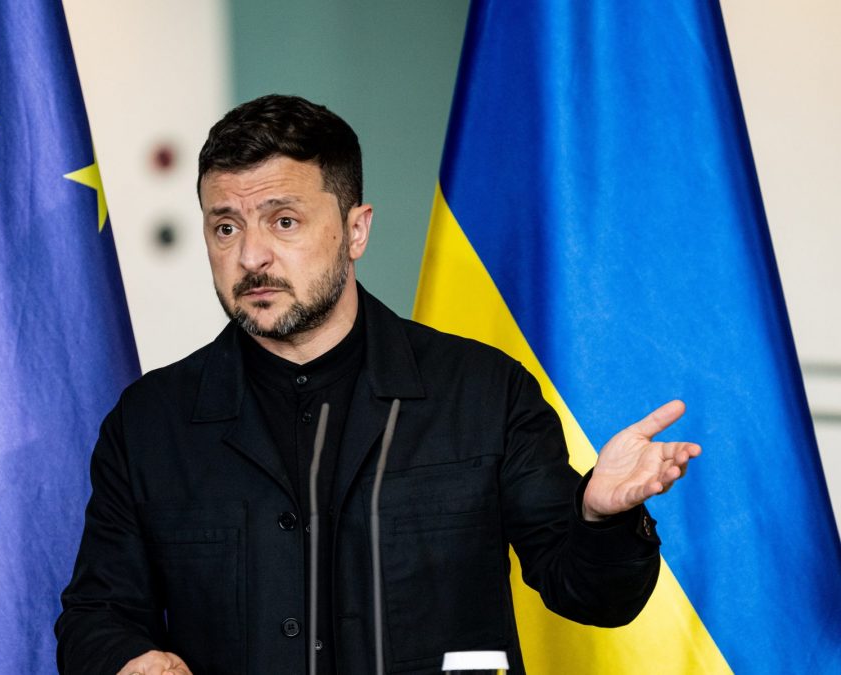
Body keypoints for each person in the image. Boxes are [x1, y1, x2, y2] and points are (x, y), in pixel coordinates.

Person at [55, 94, 700, 675]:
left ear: (356, 229)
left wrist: (599, 517)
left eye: (284, 221)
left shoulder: (485, 393)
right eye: (226, 227)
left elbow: (591, 595)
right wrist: (129, 662)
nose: (251, 257)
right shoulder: (150, 422)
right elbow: (95, 616)